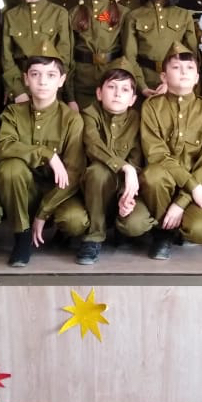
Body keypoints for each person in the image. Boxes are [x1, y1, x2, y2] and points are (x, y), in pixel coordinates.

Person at [118, 42, 202, 260]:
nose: (183, 72)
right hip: (158, 188)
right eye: (176, 67)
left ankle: (174, 223)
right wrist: (192, 187)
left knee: (201, 230)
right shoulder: (152, 107)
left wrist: (181, 202)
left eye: (189, 68)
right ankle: (163, 234)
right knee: (134, 218)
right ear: (163, 77)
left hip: (195, 188)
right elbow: (157, 154)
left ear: (197, 78)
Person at [0, 39, 87, 267]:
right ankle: (22, 235)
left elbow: (74, 172)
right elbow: (1, 146)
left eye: (51, 75)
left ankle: (60, 232)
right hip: (25, 191)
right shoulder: (14, 113)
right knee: (10, 168)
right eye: (35, 74)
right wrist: (46, 154)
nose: (43, 81)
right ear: (26, 79)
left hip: (58, 193)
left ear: (61, 80)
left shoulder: (71, 119)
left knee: (75, 221)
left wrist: (43, 213)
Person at [76, 58, 142, 265]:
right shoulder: (89, 114)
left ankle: (121, 225)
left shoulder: (137, 120)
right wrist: (125, 167)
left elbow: (137, 160)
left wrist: (126, 195)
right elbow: (93, 145)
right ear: (99, 93)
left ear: (132, 99)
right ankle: (94, 236)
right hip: (92, 191)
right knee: (98, 171)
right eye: (111, 87)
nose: (117, 94)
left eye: (124, 89)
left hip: (123, 189)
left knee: (136, 224)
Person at [0, 0, 73, 106]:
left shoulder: (59, 14)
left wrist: (53, 88)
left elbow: (64, 57)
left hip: (50, 88)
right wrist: (18, 91)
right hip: (19, 88)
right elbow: (7, 59)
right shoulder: (11, 16)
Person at [123, 0, 197, 95]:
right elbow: (129, 56)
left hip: (176, 83)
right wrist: (142, 87)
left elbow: (192, 57)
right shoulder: (134, 16)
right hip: (144, 83)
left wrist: (172, 84)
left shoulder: (183, 15)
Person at [69, 0, 128, 111]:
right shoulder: (72, 14)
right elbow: (67, 58)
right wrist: (70, 96)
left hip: (113, 84)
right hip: (81, 85)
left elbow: (128, 55)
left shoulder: (123, 13)